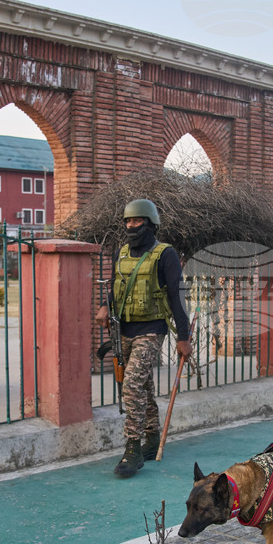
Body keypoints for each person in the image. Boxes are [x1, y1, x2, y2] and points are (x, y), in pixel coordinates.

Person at [96, 199, 192, 477]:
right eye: (127, 221)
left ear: (150, 224)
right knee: (143, 386)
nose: (131, 226)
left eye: (136, 221)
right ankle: (151, 439)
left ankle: (133, 448)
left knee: (132, 385)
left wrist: (183, 337)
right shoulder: (121, 254)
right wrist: (105, 306)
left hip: (152, 329)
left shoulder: (166, 255)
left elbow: (177, 298)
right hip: (124, 329)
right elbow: (116, 290)